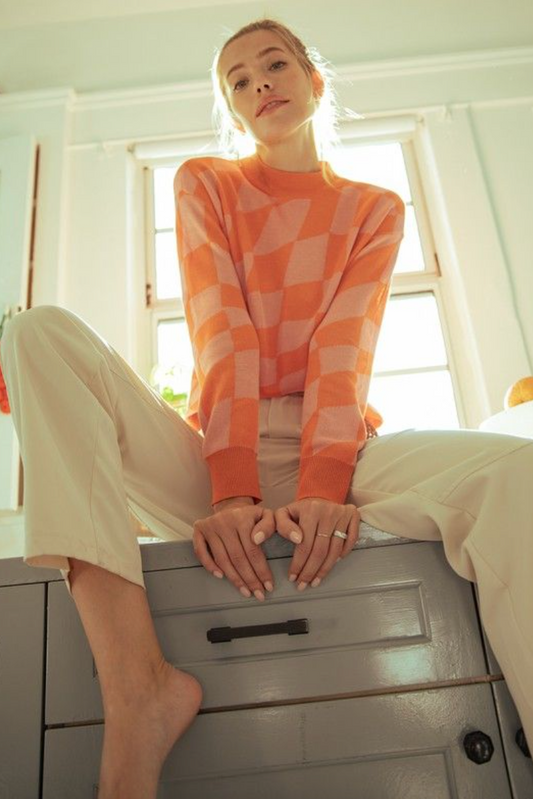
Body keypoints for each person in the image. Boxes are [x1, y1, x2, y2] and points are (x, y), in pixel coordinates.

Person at [1, 15, 532, 799]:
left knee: (517, 470)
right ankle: (139, 692)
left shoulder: (375, 207)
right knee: (35, 331)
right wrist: (228, 491)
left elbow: (343, 348)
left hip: (344, 452)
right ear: (234, 109)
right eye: (239, 82)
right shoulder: (206, 183)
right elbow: (223, 334)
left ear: (314, 81)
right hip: (216, 454)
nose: (259, 86)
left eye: (274, 66)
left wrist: (322, 485)